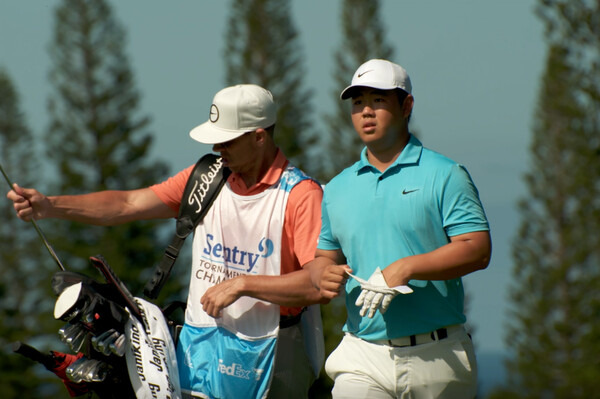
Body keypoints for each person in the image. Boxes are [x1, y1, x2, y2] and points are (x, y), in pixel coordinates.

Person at [7, 84, 324, 399]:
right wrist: (50, 205)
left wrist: (244, 284)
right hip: (200, 344)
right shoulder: (207, 176)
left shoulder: (301, 194)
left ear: (259, 137)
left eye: (227, 138)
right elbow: (128, 204)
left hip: (274, 350)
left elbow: (317, 284)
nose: (217, 147)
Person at [307, 59, 492, 399]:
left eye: (378, 101)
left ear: (406, 106)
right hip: (362, 354)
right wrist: (321, 272)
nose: (366, 112)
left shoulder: (446, 174)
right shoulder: (337, 188)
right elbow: (324, 255)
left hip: (439, 357)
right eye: (358, 103)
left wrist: (406, 268)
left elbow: (477, 248)